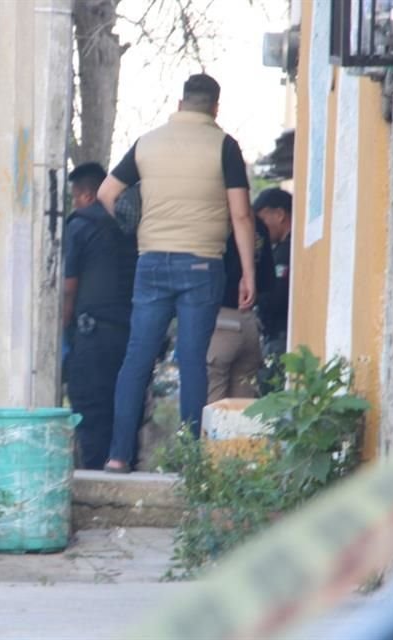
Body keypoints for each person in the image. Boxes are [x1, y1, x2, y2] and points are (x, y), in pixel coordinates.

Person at [97, 73, 257, 472]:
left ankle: (118, 456)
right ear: (215, 108)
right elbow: (240, 213)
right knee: (192, 361)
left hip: (151, 261)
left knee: (137, 358)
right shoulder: (225, 146)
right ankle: (190, 460)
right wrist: (248, 274)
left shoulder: (146, 144)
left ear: (181, 103)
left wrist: (135, 224)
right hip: (202, 264)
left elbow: (106, 193)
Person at [62, 162, 138, 469]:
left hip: (91, 336)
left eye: (75, 197)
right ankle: (122, 465)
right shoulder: (129, 227)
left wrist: (62, 332)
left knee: (91, 414)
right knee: (121, 408)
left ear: (86, 196)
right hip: (129, 336)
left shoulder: (79, 225)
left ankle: (96, 475)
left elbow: (69, 288)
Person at [206, 216, 275, 403]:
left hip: (219, 323)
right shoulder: (258, 225)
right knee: (243, 409)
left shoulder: (213, 219)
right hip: (249, 322)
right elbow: (269, 282)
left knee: (213, 408)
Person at [253, 187, 292, 358]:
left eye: (262, 220)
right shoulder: (280, 250)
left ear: (279, 215)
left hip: (282, 338)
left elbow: (276, 297)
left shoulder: (288, 252)